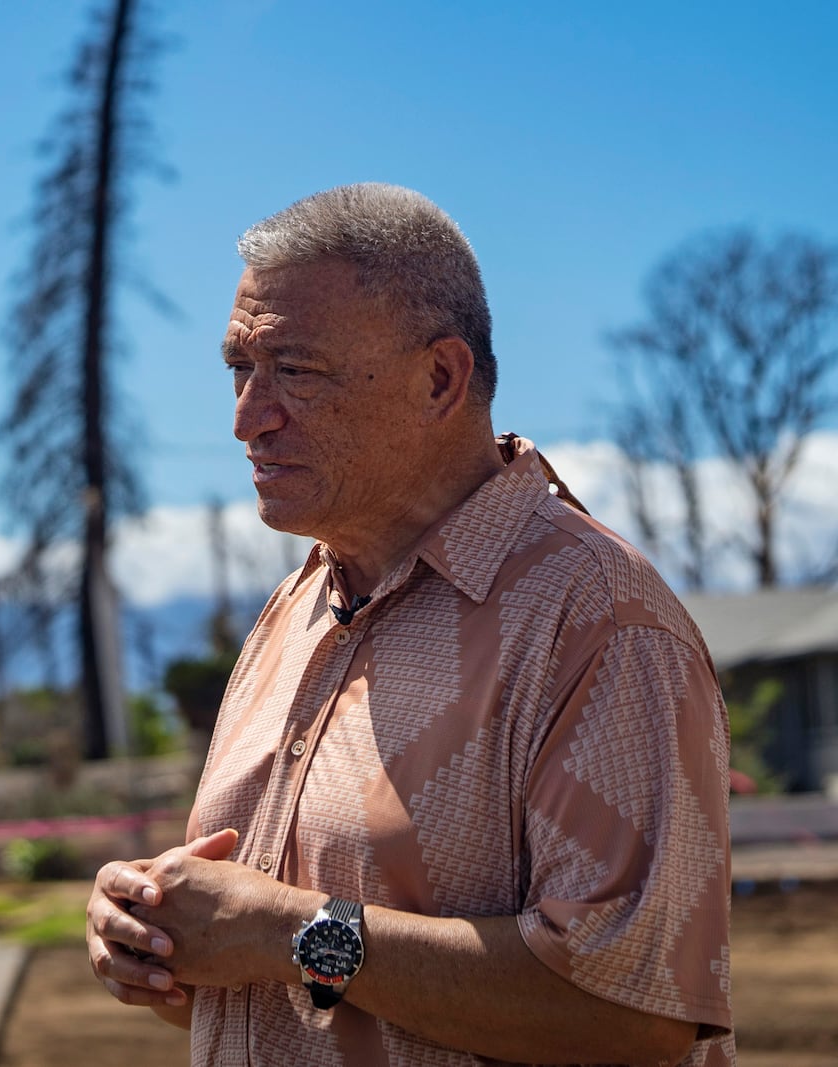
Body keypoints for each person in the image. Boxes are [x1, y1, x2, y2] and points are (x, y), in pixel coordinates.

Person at [86, 183, 734, 1066]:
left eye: (295, 371)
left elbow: (633, 1015)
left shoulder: (597, 620)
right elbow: (284, 990)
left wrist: (286, 931)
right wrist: (162, 942)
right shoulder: (293, 614)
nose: (247, 417)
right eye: (240, 368)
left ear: (440, 378)